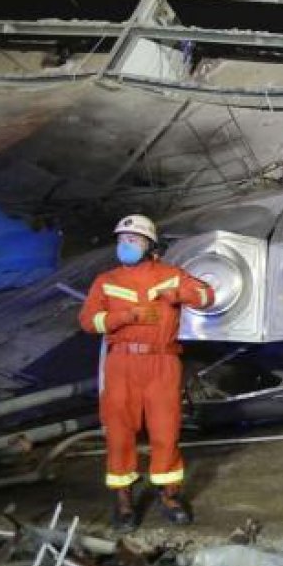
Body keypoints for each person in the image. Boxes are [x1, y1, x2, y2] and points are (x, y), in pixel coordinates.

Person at [78, 214, 215, 531]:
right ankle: (124, 502)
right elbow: (87, 321)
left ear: (150, 244)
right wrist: (125, 316)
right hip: (121, 364)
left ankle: (169, 496)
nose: (125, 245)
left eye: (133, 240)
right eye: (122, 240)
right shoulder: (106, 280)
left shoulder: (170, 275)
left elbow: (208, 296)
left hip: (162, 363)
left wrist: (180, 295)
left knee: (165, 431)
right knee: (119, 432)